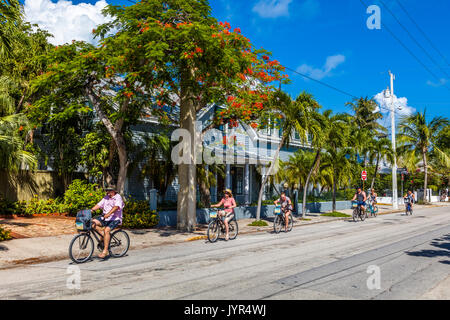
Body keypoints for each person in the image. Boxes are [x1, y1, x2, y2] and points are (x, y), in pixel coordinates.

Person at [91, 184, 125, 259]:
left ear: (114, 191)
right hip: (105, 218)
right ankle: (103, 235)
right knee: (92, 223)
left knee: (107, 230)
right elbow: (99, 205)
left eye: (109, 190)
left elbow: (116, 207)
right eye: (107, 190)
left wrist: (108, 214)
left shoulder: (118, 197)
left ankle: (105, 251)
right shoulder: (106, 197)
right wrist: (91, 210)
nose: (107, 192)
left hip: (115, 219)